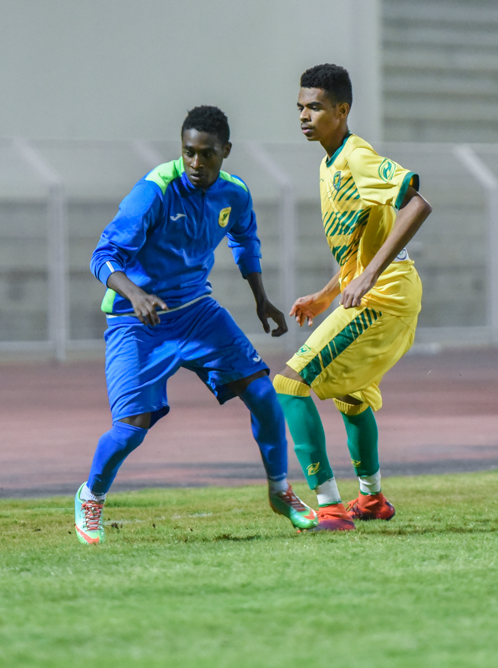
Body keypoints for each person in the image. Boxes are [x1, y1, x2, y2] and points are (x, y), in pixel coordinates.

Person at [74, 105, 318, 545]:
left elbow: (245, 240)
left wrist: (261, 299)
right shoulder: (154, 192)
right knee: (131, 429)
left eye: (207, 154)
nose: (196, 163)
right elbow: (102, 256)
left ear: (226, 151)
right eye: (189, 152)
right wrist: (136, 294)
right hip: (137, 320)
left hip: (196, 312)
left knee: (264, 395)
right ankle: (90, 496)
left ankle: (280, 490)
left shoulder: (234, 193)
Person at [273, 63, 433, 530]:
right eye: (300, 108)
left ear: (342, 111)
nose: (304, 116)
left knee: (289, 384)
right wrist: (329, 293)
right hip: (383, 290)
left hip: (386, 295)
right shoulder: (329, 162)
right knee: (350, 395)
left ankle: (328, 506)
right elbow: (361, 244)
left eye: (315, 107)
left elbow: (417, 204)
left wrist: (368, 278)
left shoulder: (356, 156)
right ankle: (372, 499)